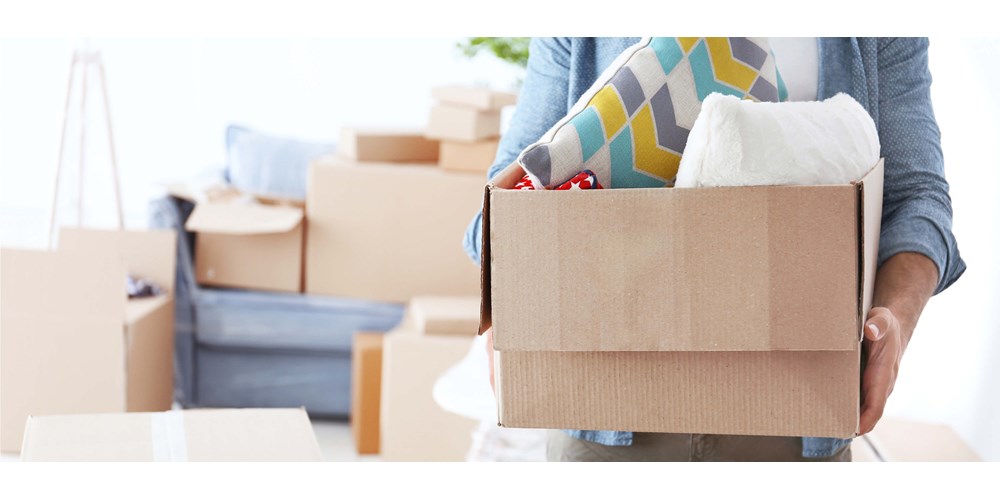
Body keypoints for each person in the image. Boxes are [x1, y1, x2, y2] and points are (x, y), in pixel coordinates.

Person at [461, 37, 966, 461]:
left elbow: (916, 198)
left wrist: (895, 319)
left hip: (798, 412)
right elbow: (504, 196)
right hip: (607, 409)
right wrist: (509, 280)